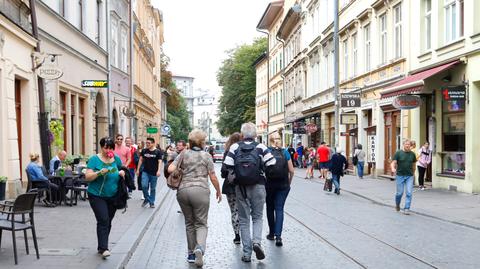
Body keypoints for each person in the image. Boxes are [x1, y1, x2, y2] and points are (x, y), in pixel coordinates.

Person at [168, 129, 222, 267]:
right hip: (201, 190)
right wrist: (218, 190)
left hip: (183, 191)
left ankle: (191, 254)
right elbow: (213, 176)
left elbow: (170, 168)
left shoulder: (183, 153)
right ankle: (200, 248)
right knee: (201, 223)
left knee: (189, 223)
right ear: (202, 142)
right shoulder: (206, 156)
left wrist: (177, 169)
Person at [223, 122, 276, 263]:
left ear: (242, 135)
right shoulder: (261, 147)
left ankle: (247, 253)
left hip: (241, 188)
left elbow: (226, 167)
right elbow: (272, 164)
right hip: (258, 185)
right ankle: (257, 242)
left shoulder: (235, 147)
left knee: (244, 220)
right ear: (255, 135)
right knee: (258, 217)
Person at [84, 137, 125, 258]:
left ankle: (101, 245)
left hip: (113, 195)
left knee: (108, 221)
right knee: (103, 219)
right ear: (101, 147)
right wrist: (99, 172)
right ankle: (104, 248)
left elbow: (120, 169)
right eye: (106, 147)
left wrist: (122, 173)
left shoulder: (116, 159)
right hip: (97, 195)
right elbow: (87, 177)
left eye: (111, 148)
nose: (108, 150)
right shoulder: (94, 159)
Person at [265, 133, 294, 247]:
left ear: (270, 141)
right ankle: (278, 236)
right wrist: (289, 183)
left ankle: (271, 233)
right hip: (283, 185)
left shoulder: (266, 151)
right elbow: (291, 170)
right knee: (279, 209)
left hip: (269, 185)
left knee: (270, 208)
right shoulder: (285, 152)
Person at [221, 132, 242, 245]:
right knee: (244, 211)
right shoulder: (244, 150)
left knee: (234, 211)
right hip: (244, 185)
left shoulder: (227, 152)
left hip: (230, 186)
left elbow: (224, 172)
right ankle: (245, 234)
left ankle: (237, 236)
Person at [391, 140, 417, 215]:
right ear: (403, 145)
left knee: (409, 193)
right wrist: (393, 168)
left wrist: (413, 173)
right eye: (406, 144)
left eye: (408, 144)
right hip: (400, 176)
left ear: (410, 145)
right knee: (399, 193)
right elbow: (393, 162)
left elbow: (414, 165)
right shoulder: (398, 153)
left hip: (409, 176)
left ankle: (406, 208)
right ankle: (397, 204)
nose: (407, 145)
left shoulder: (412, 154)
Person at [136, 137, 163, 208]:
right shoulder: (144, 151)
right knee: (144, 186)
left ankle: (152, 202)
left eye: (149, 143)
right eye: (146, 143)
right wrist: (138, 170)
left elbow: (160, 162)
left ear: (153, 143)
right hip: (145, 172)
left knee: (153, 188)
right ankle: (147, 199)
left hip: (154, 173)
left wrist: (159, 171)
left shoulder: (157, 152)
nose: (147, 144)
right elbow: (140, 160)